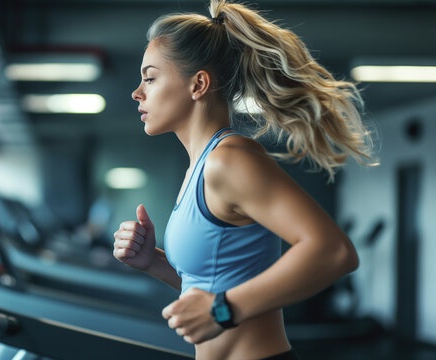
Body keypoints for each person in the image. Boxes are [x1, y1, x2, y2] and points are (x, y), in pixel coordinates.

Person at [112, 1, 377, 359]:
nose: (137, 92)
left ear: (198, 84)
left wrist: (223, 310)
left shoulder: (229, 160)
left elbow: (334, 252)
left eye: (150, 77)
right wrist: (152, 262)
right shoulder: (200, 168)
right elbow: (216, 284)